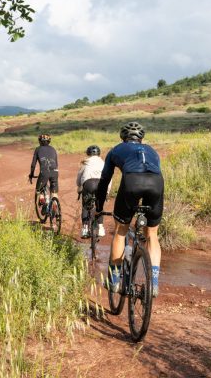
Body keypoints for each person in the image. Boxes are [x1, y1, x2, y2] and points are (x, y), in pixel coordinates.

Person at [95, 122, 164, 297]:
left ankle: (114, 281)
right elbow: (156, 171)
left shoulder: (116, 150)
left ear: (123, 137)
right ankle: (154, 284)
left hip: (132, 182)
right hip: (156, 183)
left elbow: (104, 180)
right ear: (141, 138)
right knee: (152, 234)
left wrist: (99, 206)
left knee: (121, 231)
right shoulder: (152, 150)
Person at [76, 145, 108, 239]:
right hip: (100, 184)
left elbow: (79, 177)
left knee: (85, 206)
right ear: (99, 154)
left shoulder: (85, 163)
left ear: (88, 154)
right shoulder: (103, 163)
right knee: (99, 206)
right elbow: (108, 179)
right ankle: (101, 228)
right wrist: (107, 191)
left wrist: (79, 186)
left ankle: (85, 229)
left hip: (88, 184)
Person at [29, 134, 59, 210]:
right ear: (49, 141)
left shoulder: (38, 149)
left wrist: (31, 174)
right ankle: (55, 206)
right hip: (55, 171)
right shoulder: (53, 149)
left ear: (39, 141)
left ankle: (42, 199)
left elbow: (33, 165)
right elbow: (56, 163)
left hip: (44, 172)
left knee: (39, 189)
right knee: (54, 192)